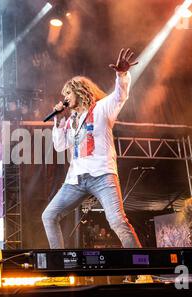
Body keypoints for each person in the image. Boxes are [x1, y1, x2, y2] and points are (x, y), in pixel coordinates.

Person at [41, 48, 142, 249]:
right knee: (49, 216)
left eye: (68, 93)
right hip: (76, 180)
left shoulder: (103, 108)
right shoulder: (70, 120)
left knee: (117, 221)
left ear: (79, 90)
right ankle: (59, 268)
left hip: (102, 175)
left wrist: (121, 74)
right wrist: (58, 120)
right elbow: (60, 145)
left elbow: (120, 95)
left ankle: (141, 270)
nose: (66, 98)